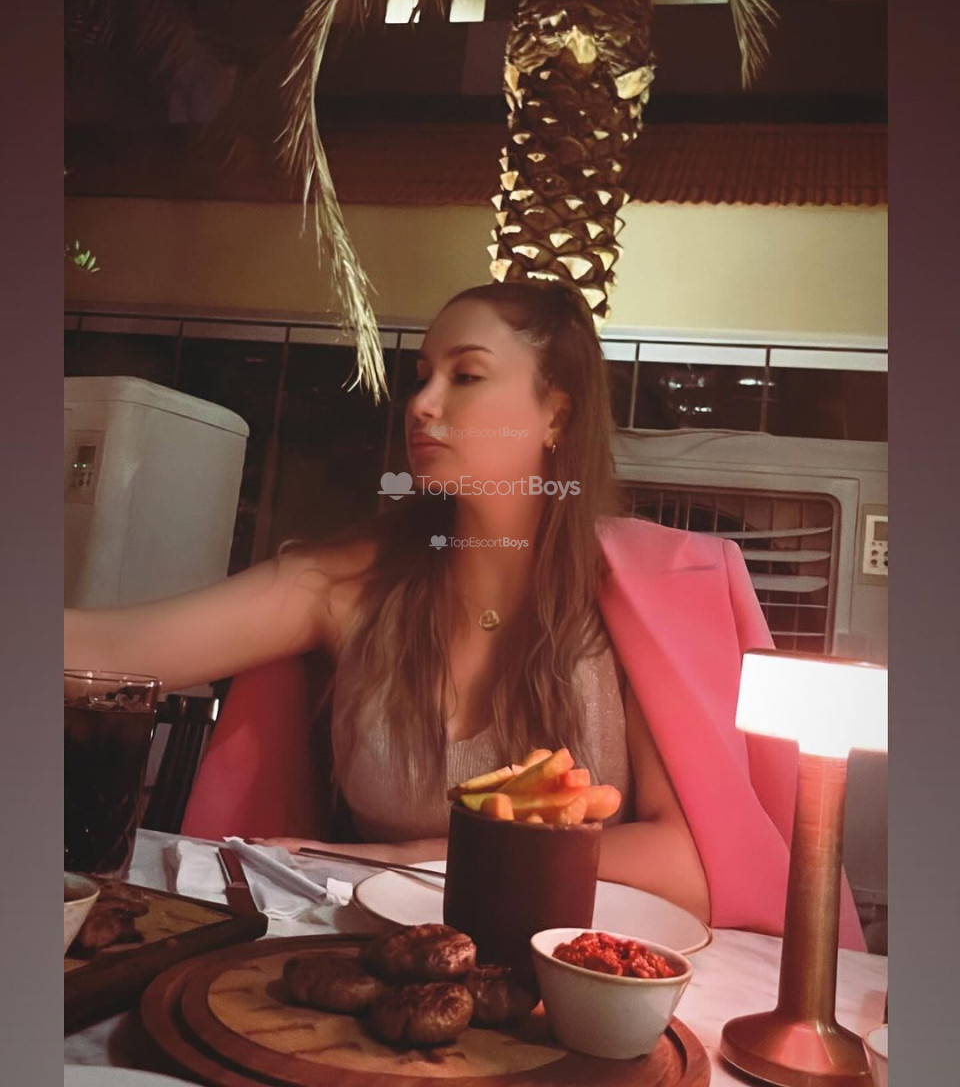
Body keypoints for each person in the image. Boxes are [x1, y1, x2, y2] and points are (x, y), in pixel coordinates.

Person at [64, 280, 863, 945]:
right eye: (422, 376)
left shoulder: (637, 601)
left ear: (556, 415)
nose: (423, 404)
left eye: (467, 376)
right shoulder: (341, 585)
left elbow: (686, 866)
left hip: (577, 986)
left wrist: (404, 856)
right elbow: (110, 651)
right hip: (381, 967)